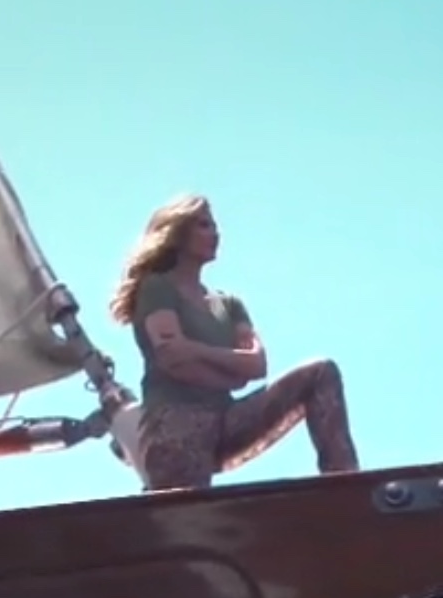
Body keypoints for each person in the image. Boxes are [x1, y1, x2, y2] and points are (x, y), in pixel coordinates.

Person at [107, 193, 360, 491]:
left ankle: (344, 486)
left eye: (215, 226)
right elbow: (174, 359)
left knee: (320, 373)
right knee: (184, 472)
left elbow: (256, 366)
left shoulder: (229, 304)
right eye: (204, 225)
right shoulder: (158, 287)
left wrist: (196, 351)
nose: (216, 233)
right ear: (178, 234)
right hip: (176, 420)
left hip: (227, 418)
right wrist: (229, 369)